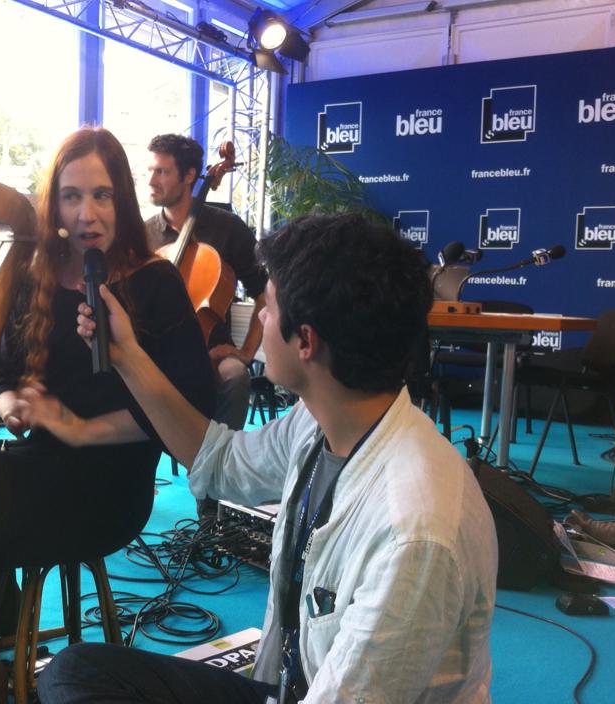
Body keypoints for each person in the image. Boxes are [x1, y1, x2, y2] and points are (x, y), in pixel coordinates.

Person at [39, 213, 499, 703]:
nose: (259, 319)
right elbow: (221, 462)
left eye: (269, 308)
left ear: (306, 341)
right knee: (74, 673)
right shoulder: (324, 418)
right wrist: (127, 355)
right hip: (289, 687)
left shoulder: (414, 533)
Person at [0, 127, 215, 704]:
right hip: (34, 465)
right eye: (72, 196)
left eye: (101, 195)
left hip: (108, 491)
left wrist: (82, 428)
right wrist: (10, 405)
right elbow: (2, 375)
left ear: (122, 200)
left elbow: (193, 407)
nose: (87, 213)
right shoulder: (36, 276)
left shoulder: (155, 282)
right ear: (55, 206)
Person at [146, 134, 267, 432]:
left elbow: (265, 294)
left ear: (189, 176)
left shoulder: (227, 228)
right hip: (155, 355)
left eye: (162, 171)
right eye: (150, 170)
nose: (151, 180)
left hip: (211, 355)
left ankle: (222, 458)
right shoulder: (144, 235)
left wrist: (247, 352)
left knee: (235, 375)